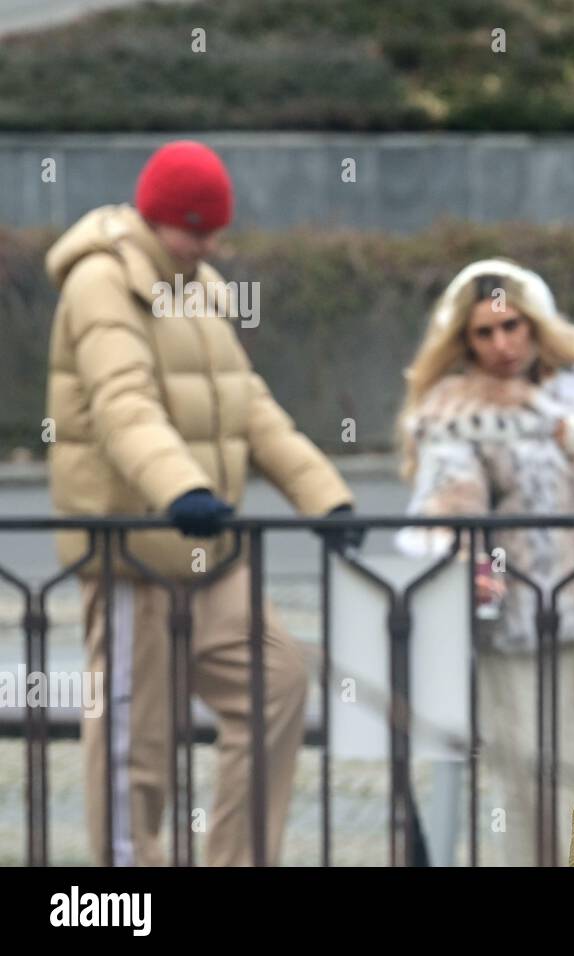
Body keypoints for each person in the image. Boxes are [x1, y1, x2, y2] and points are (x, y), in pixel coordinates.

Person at [45, 140, 359, 866]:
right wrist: (179, 488)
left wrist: (325, 498)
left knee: (276, 685)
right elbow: (124, 405)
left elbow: (250, 409)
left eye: (218, 228)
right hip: (133, 555)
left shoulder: (198, 284)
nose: (212, 243)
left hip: (209, 555)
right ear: (158, 218)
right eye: (198, 228)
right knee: (137, 742)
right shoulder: (100, 282)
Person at [395, 258, 574, 866]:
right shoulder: (455, 410)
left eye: (512, 325)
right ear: (463, 341)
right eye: (483, 333)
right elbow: (449, 493)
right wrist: (447, 542)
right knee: (531, 787)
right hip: (515, 621)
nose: (501, 343)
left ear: (535, 322)